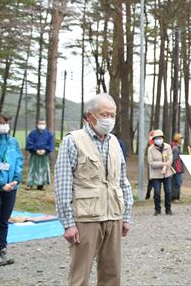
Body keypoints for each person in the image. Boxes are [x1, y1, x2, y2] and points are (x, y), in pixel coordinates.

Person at [54, 94, 133, 285]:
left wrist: (126, 215)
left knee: (112, 273)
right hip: (86, 217)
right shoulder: (73, 141)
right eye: (104, 114)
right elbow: (62, 183)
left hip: (113, 215)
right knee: (80, 274)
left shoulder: (114, 142)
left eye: (112, 115)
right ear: (90, 116)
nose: (109, 120)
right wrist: (68, 223)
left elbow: (122, 181)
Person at [0, 114, 23, 267]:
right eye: (1, 123)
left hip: (11, 187)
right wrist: (1, 184)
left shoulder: (13, 142)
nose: (4, 125)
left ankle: (2, 248)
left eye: (6, 122)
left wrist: (16, 180)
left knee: (4, 221)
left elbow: (19, 161)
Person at [146, 130, 174, 215]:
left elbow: (170, 158)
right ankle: (157, 209)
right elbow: (151, 163)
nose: (159, 140)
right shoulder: (150, 149)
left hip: (167, 173)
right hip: (155, 174)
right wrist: (163, 164)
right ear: (153, 139)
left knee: (168, 192)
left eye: (160, 138)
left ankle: (168, 209)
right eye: (156, 138)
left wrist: (166, 166)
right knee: (157, 192)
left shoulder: (168, 147)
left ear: (163, 138)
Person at [25, 119, 54, 190]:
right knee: (33, 169)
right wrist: (35, 150)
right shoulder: (32, 133)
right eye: (40, 123)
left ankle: (41, 185)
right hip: (35, 154)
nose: (41, 125)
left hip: (44, 154)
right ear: (37, 124)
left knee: (43, 170)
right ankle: (30, 184)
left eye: (43, 123)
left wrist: (45, 150)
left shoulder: (49, 134)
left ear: (45, 124)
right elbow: (29, 143)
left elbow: (50, 144)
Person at [170, 133, 184, 202]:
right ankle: (174, 197)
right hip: (177, 169)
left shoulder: (177, 147)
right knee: (176, 183)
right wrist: (174, 169)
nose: (182, 140)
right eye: (181, 138)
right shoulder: (175, 148)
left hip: (179, 169)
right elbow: (174, 159)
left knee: (177, 182)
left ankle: (176, 197)